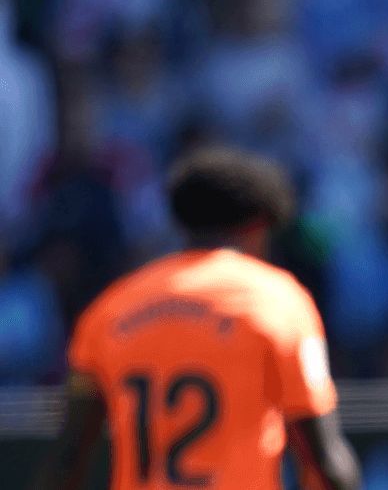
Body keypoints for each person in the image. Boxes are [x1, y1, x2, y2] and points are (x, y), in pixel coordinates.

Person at [30, 146, 361, 490]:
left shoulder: (110, 309)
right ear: (258, 227)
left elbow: (68, 457)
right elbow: (326, 462)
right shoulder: (279, 302)